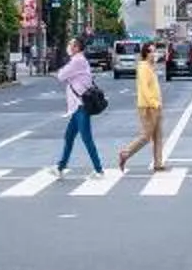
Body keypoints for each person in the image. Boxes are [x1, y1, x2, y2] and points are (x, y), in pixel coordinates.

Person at [112, 40, 168, 173]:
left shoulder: (150, 66)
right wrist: (154, 103)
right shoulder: (143, 67)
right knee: (146, 136)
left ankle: (158, 163)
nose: (154, 53)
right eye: (151, 51)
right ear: (145, 53)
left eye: (155, 51)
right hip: (148, 107)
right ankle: (125, 153)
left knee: (158, 136)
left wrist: (158, 103)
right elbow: (144, 89)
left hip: (156, 105)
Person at [54, 37, 103, 174]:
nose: (68, 47)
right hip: (77, 107)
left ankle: (99, 169)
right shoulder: (79, 61)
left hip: (81, 106)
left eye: (71, 45)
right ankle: (61, 166)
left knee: (87, 138)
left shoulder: (78, 61)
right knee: (69, 136)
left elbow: (61, 75)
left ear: (77, 48)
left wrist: (66, 73)